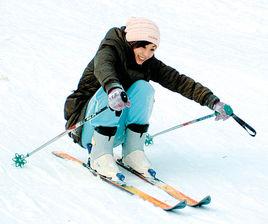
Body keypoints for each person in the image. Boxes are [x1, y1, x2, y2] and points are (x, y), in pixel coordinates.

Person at [64, 17, 233, 181]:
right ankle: (99, 155)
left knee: (144, 88)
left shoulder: (148, 62)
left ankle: (132, 152)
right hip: (86, 127)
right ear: (132, 42)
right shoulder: (109, 50)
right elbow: (103, 68)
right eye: (143, 47)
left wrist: (213, 101)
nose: (146, 54)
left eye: (152, 49)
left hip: (117, 131)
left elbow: (179, 81)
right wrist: (113, 89)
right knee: (108, 91)